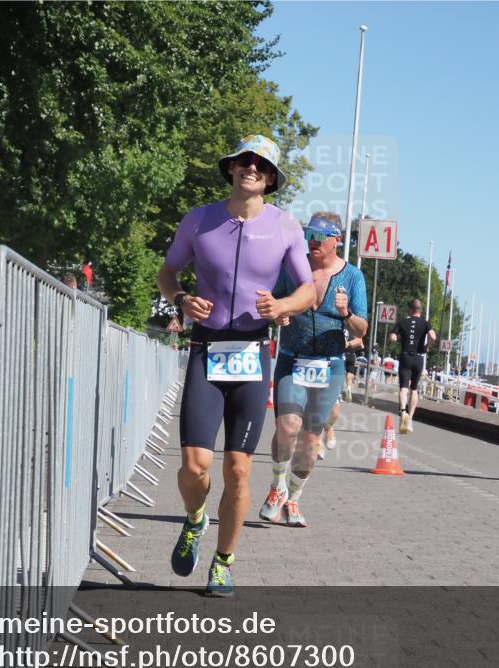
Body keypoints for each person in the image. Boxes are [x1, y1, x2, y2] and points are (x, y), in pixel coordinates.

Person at [156, 135, 316, 596]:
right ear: (231, 169)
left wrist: (282, 303)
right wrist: (182, 299)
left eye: (261, 165)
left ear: (269, 179)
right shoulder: (199, 220)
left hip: (252, 353)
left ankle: (223, 563)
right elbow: (168, 273)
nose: (251, 168)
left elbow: (308, 290)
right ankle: (194, 519)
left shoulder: (286, 226)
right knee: (194, 466)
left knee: (240, 470)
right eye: (244, 161)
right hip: (207, 349)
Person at [260, 212, 368, 528]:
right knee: (287, 427)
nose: (313, 243)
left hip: (330, 366)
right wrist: (277, 314)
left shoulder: (352, 277)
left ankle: (293, 499)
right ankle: (276, 489)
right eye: (309, 236)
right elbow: (272, 302)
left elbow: (362, 328)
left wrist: (346, 313)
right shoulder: (293, 266)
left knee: (309, 441)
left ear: (337, 240)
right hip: (293, 359)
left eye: (320, 237)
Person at [389, 299, 437, 434]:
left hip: (405, 357)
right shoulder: (425, 323)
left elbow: (392, 337)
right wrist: (427, 346)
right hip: (418, 358)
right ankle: (409, 420)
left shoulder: (402, 322)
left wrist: (398, 339)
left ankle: (403, 411)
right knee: (414, 389)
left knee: (403, 388)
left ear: (410, 310)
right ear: (420, 311)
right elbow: (433, 336)